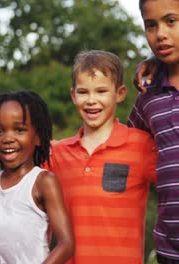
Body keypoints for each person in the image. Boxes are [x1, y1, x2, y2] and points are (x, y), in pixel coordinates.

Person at [0, 50, 158, 264]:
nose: (92, 100)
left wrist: (160, 64)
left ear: (119, 93)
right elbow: (16, 184)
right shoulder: (56, 154)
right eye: (83, 92)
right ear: (73, 95)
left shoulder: (141, 145)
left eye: (101, 91)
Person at [0, 90, 74, 263]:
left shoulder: (43, 182)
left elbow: (66, 243)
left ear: (37, 137)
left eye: (19, 130)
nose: (8, 138)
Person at [128, 1, 179, 262]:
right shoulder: (148, 98)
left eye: (171, 21)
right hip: (169, 250)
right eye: (151, 25)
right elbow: (121, 148)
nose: (160, 34)